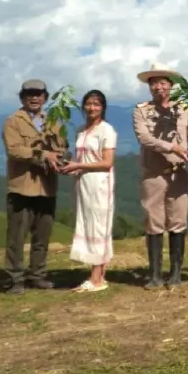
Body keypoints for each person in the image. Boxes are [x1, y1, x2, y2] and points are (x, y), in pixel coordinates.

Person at [132, 63, 188, 289]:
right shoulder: (141, 110)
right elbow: (144, 138)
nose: (158, 87)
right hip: (153, 174)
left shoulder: (183, 109)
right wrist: (172, 147)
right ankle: (154, 275)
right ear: (149, 87)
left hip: (178, 173)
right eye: (154, 83)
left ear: (171, 86)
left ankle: (176, 273)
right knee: (154, 223)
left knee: (178, 222)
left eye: (163, 82)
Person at [2, 79, 66, 294]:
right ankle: (15, 279)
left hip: (47, 186)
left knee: (42, 235)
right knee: (16, 237)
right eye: (30, 93)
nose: (35, 97)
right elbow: (15, 150)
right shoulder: (13, 121)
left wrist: (61, 156)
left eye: (39, 93)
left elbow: (61, 146)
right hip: (22, 186)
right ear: (22, 97)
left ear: (45, 97)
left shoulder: (54, 121)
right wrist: (43, 155)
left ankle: (37, 275)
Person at [59, 90, 117, 292]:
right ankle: (99, 275)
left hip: (99, 182)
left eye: (96, 104)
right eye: (88, 104)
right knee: (88, 223)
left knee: (99, 225)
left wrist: (78, 166)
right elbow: (79, 159)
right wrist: (71, 166)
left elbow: (107, 162)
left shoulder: (106, 130)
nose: (92, 108)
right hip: (82, 182)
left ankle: (96, 279)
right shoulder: (81, 130)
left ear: (103, 108)